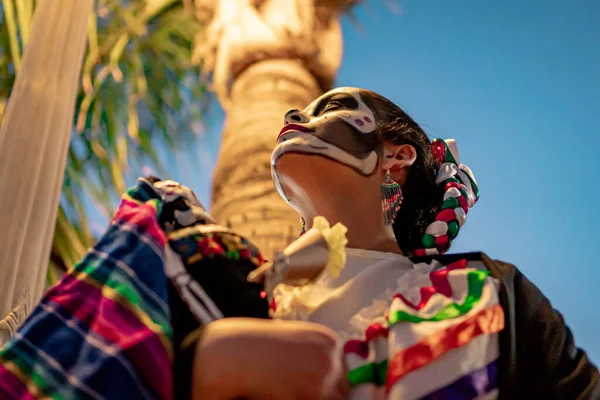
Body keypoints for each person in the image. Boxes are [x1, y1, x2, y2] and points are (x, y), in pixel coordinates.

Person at [1, 88, 598, 400]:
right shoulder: (195, 271)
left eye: (331, 109)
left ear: (396, 157)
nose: (295, 115)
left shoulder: (491, 296)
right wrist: (198, 369)